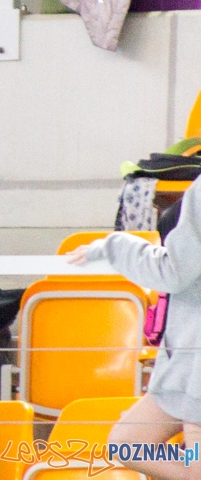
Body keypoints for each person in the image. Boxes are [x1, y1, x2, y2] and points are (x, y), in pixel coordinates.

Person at [71, 186, 201, 480]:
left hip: (195, 369)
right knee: (127, 444)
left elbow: (173, 271)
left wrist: (114, 246)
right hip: (186, 366)